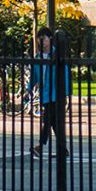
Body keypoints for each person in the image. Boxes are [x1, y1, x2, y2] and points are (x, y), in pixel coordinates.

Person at [29, 28, 68, 158]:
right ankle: (63, 149)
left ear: (50, 39)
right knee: (54, 123)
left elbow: (65, 74)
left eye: (44, 38)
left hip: (56, 94)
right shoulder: (38, 57)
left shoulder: (57, 55)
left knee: (48, 120)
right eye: (40, 39)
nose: (42, 41)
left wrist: (66, 93)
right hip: (46, 94)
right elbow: (34, 76)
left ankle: (40, 146)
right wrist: (28, 90)